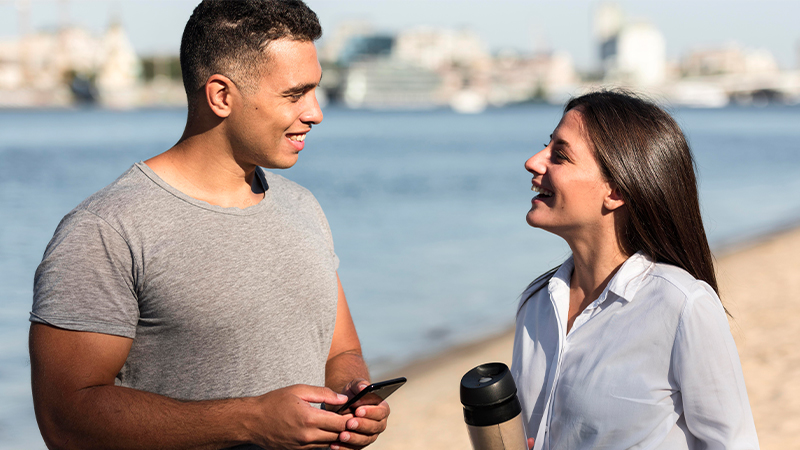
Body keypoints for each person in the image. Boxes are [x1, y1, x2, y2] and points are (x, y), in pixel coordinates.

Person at [29, 1, 390, 449]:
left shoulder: (302, 206)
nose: (315, 112)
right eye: (294, 94)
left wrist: (355, 398)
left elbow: (341, 352)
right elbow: (64, 418)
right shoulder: (105, 229)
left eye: (314, 91)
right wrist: (251, 420)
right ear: (221, 96)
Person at [511, 90, 759, 450]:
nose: (533, 162)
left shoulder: (682, 306)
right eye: (546, 147)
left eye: (560, 156)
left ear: (616, 190)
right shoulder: (536, 305)